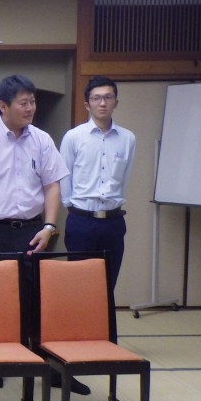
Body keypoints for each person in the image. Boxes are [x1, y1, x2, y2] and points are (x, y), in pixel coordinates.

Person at [0, 74, 88, 394]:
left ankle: (50, 367)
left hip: (32, 231)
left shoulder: (41, 140)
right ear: (3, 106)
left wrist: (49, 227)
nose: (30, 108)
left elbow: (52, 185)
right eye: (23, 103)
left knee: (39, 302)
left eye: (33, 102)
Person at [59, 76, 136, 292]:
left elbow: (125, 177)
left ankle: (105, 317)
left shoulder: (128, 138)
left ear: (116, 102)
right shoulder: (73, 137)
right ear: (87, 104)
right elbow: (64, 176)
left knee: (108, 284)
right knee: (80, 285)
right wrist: (71, 206)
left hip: (113, 221)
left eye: (108, 97)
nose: (103, 103)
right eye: (97, 98)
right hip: (81, 221)